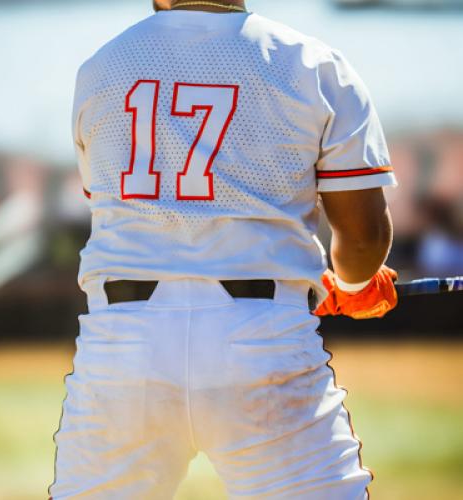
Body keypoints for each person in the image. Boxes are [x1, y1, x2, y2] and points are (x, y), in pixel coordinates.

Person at [49, 1, 398, 498]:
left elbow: (114, 206)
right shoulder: (313, 63)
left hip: (124, 344)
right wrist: (355, 283)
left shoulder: (100, 66)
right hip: (262, 340)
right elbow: (362, 239)